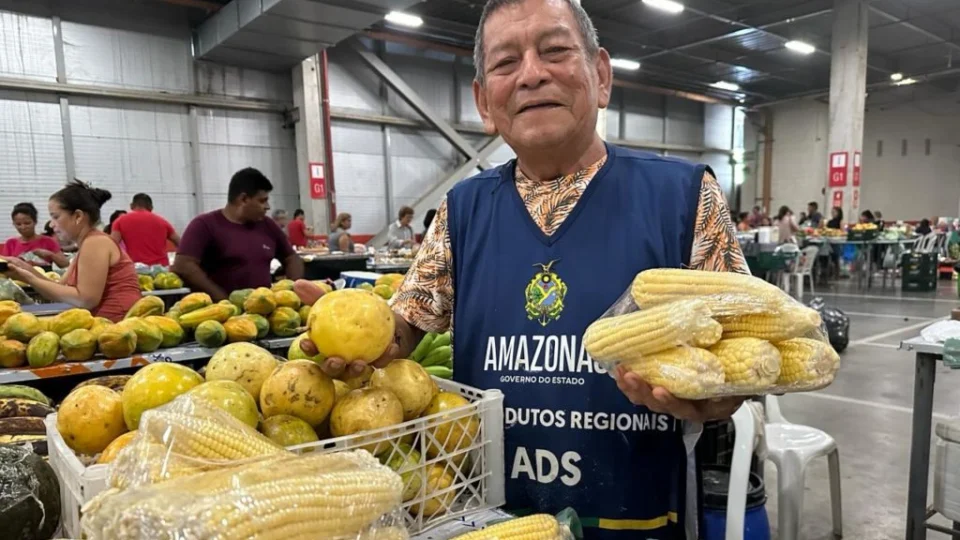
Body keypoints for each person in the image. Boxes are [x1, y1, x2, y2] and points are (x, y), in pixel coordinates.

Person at [297, 1, 744, 536]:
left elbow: (740, 355)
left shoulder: (685, 196)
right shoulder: (462, 209)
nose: (532, 74)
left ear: (600, 76)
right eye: (506, 62)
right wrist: (356, 338)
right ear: (485, 102)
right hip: (489, 512)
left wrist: (717, 396)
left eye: (555, 51)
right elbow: (404, 329)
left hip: (639, 512)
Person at [3, 181, 141, 321]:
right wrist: (21, 268)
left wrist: (28, 278)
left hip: (118, 327)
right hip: (106, 326)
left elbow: (86, 299)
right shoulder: (87, 245)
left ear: (78, 216)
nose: (51, 224)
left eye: (56, 217)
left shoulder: (95, 243)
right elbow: (58, 289)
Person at [172, 168, 303, 301]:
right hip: (219, 316)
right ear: (244, 199)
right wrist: (221, 298)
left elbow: (291, 258)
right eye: (262, 201)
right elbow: (183, 265)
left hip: (263, 313)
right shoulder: (205, 225)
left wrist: (292, 290)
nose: (268, 207)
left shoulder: (267, 225)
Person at [110, 193, 180, 266]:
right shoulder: (163, 222)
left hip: (136, 268)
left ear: (131, 205)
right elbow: (180, 242)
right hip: (161, 269)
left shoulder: (120, 221)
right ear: (151, 207)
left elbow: (112, 245)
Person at [2, 203, 69, 267]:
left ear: (35, 222)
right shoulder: (11, 243)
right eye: (18, 224)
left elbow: (65, 264)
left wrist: (50, 255)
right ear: (14, 224)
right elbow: (4, 265)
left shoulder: (48, 241)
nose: (23, 227)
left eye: (27, 223)